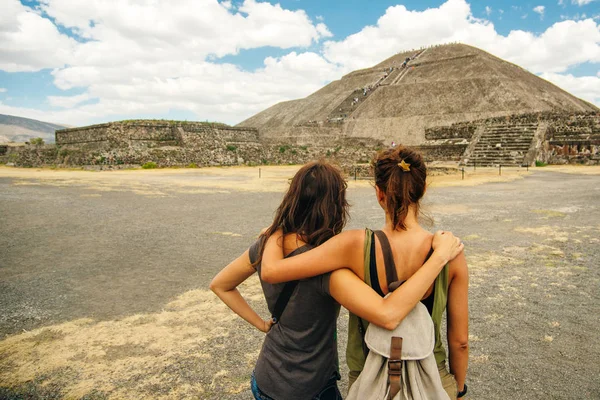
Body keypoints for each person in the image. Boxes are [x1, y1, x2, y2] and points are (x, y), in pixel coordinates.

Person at [211, 160, 464, 400]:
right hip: (313, 385)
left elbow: (220, 285)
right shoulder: (329, 270)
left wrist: (262, 324)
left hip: (265, 378)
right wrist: (439, 256)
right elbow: (390, 314)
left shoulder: (265, 247)